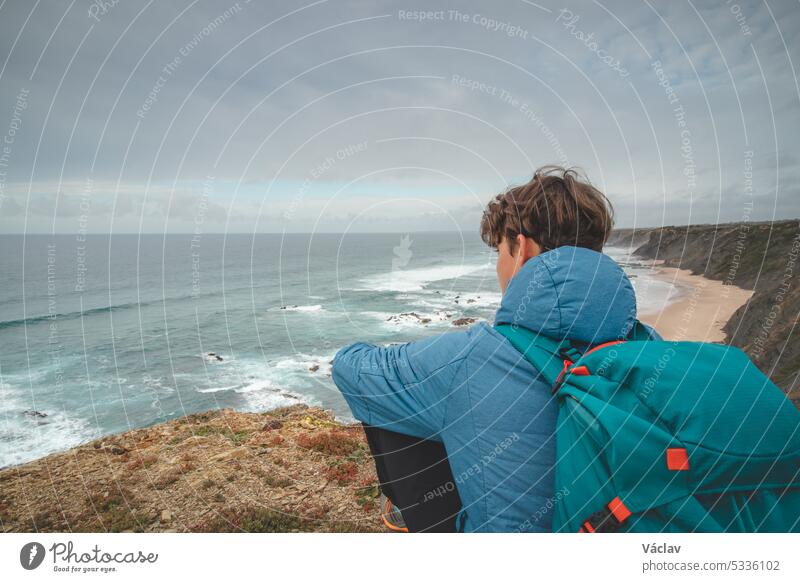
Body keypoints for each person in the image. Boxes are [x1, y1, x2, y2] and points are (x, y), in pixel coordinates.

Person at [331, 166, 661, 532]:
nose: (499, 267)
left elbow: (352, 370)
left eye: (500, 251)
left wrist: (418, 362)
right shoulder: (653, 348)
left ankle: (400, 512)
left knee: (401, 399)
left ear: (521, 248)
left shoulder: (473, 358)